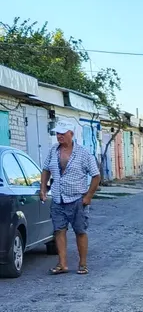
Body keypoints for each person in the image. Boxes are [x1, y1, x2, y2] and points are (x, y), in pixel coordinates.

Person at [40, 117, 101, 275]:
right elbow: (46, 170)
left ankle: (82, 263)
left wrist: (88, 196)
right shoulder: (53, 150)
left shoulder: (83, 153)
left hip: (77, 199)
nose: (59, 136)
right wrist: (43, 189)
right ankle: (62, 264)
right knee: (59, 230)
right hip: (58, 199)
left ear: (71, 134)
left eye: (62, 133)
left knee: (80, 231)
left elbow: (96, 176)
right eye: (57, 134)